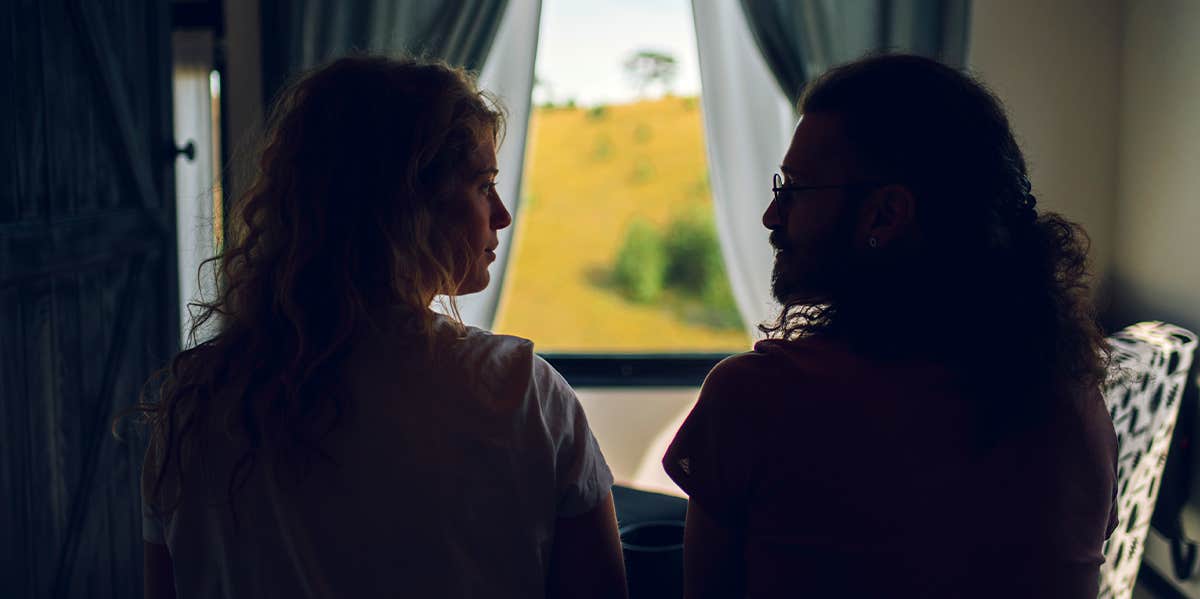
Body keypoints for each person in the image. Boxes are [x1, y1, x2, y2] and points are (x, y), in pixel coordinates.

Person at [132, 56, 627, 599]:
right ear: (407, 202)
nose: (502, 214)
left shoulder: (195, 399)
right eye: (483, 185)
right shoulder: (519, 393)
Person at [663, 54, 1117, 598]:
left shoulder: (760, 399)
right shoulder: (1075, 400)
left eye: (795, 189)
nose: (771, 215)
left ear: (884, 215)